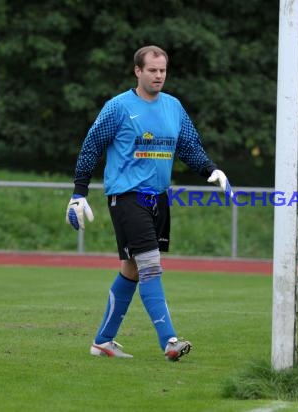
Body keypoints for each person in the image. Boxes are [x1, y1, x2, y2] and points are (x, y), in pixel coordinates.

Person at [65, 45, 232, 361]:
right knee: (151, 265)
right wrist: (79, 192)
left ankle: (103, 341)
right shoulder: (118, 108)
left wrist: (212, 169)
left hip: (158, 199)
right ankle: (169, 341)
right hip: (127, 198)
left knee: (132, 269)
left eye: (163, 70)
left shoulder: (173, 107)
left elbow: (189, 146)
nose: (158, 75)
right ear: (137, 71)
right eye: (152, 70)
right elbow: (90, 147)